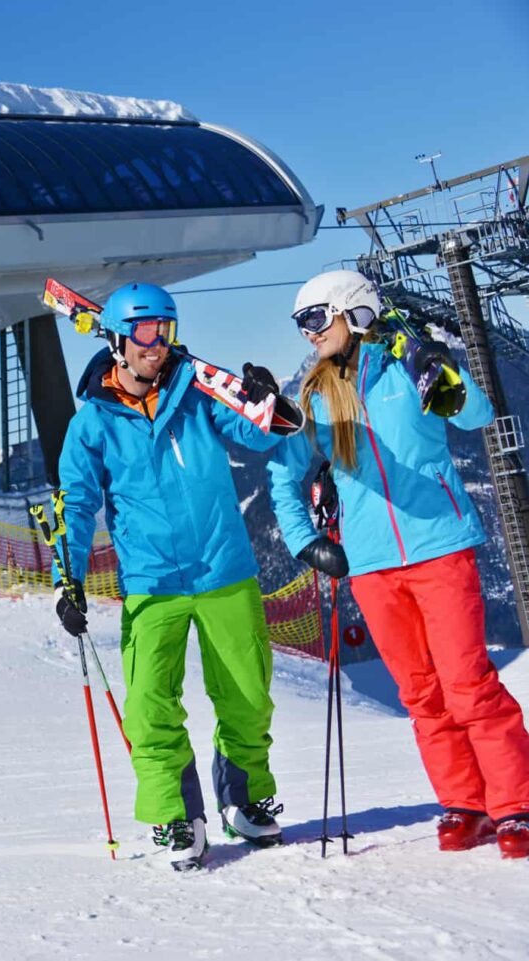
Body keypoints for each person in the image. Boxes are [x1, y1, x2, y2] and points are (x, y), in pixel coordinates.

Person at [267, 269, 529, 860]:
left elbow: (477, 415)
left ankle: (516, 804)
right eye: (301, 324)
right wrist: (306, 542)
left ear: (352, 311)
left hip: (440, 547)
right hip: (370, 564)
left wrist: (444, 371)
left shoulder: (410, 368)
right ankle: (464, 804)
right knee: (420, 693)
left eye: (316, 318)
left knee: (468, 684)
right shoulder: (315, 397)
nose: (310, 333)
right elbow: (283, 475)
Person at [56, 282, 293, 870]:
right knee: (149, 705)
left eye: (165, 330)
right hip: (151, 581)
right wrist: (69, 578)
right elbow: (76, 503)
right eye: (144, 331)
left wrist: (266, 400)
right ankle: (176, 814)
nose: (156, 343)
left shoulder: (196, 394)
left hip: (224, 569)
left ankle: (242, 798)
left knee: (247, 695)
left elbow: (260, 433)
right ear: (117, 340)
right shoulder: (93, 424)